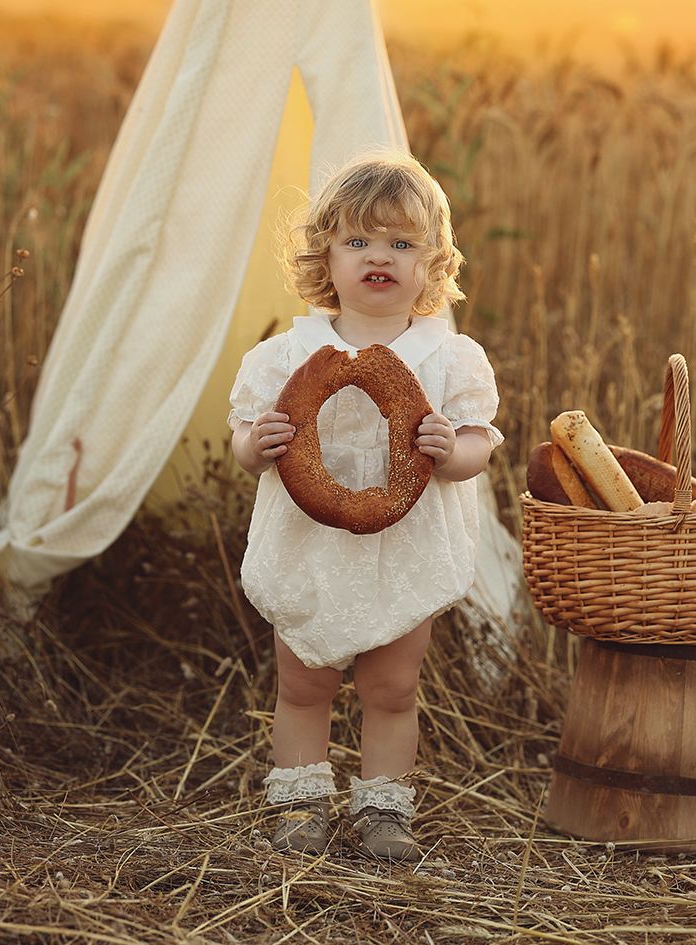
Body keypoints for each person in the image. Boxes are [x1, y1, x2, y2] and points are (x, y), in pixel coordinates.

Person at [228, 152, 501, 860]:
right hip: (308, 542)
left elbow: (479, 446)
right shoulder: (286, 356)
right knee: (303, 677)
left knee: (392, 683)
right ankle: (298, 801)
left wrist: (450, 448)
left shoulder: (450, 359)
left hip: (403, 545)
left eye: (401, 244)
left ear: (433, 263)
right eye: (358, 241)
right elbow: (244, 445)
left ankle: (383, 807)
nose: (378, 256)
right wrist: (257, 444)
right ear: (326, 257)